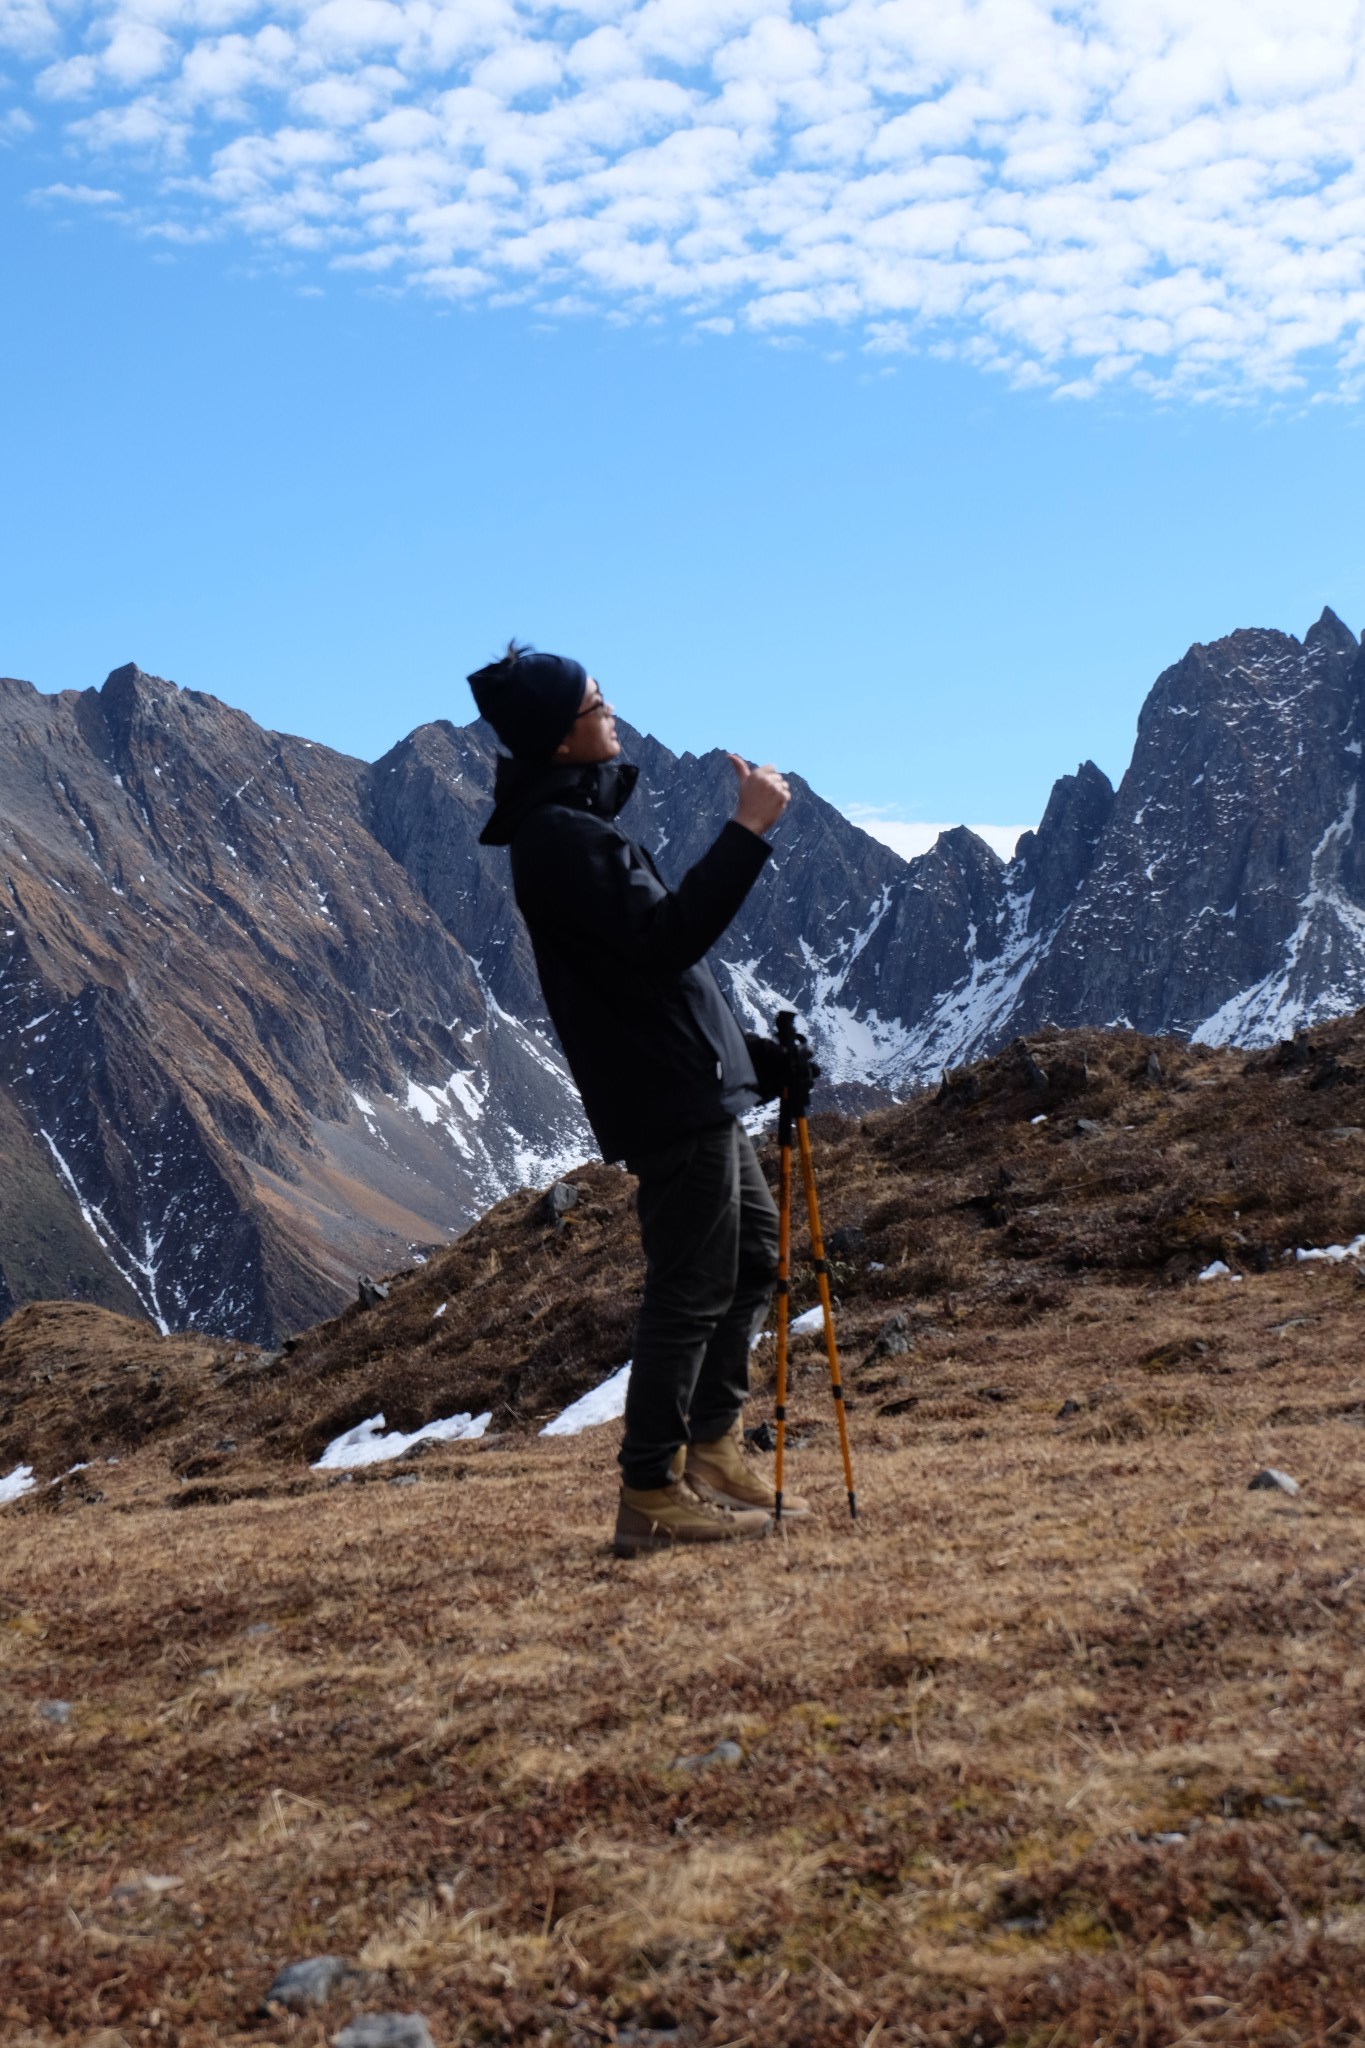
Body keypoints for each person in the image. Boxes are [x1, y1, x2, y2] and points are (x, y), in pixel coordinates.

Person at [470, 642, 811, 1555]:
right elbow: (665, 944)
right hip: (669, 1098)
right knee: (692, 1284)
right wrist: (747, 831)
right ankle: (650, 1486)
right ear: (559, 738)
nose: (610, 710)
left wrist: (751, 1058)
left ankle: (711, 1450)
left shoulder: (578, 825)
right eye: (595, 703)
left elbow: (652, 979)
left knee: (746, 1262)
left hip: (693, 1082)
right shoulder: (559, 840)